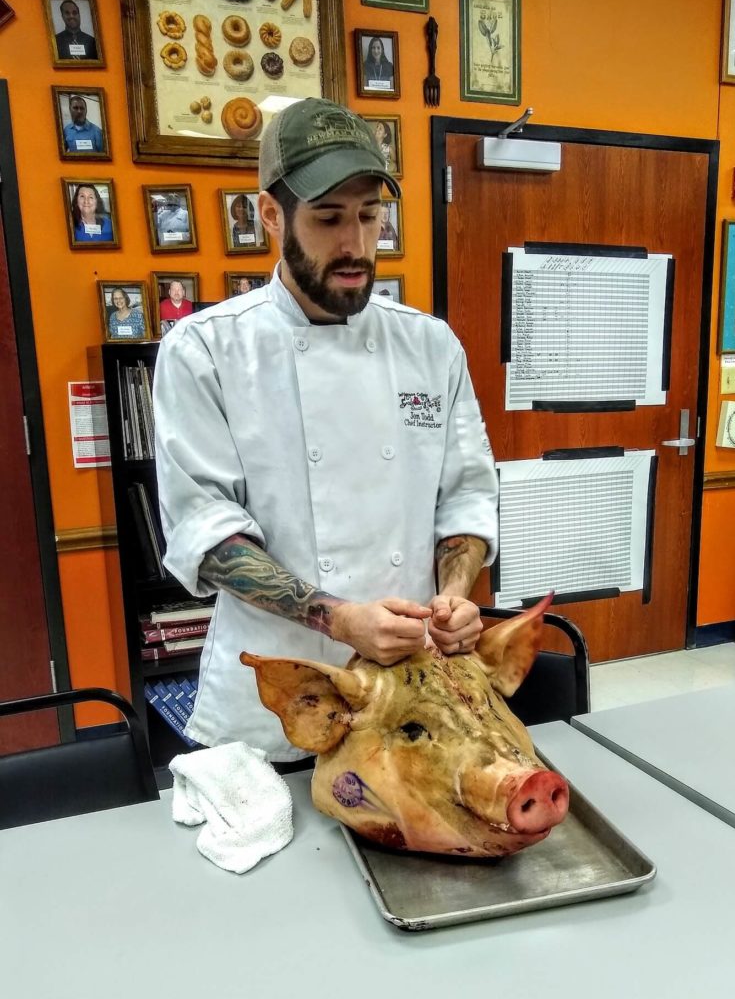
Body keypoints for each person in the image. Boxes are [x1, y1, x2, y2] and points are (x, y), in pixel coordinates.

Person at [153, 97, 498, 762]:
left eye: (369, 216)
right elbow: (209, 533)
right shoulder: (206, 351)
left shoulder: (429, 347)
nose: (355, 245)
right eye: (328, 218)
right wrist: (340, 619)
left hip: (409, 688)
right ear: (271, 215)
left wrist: (454, 598)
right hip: (278, 702)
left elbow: (464, 494)